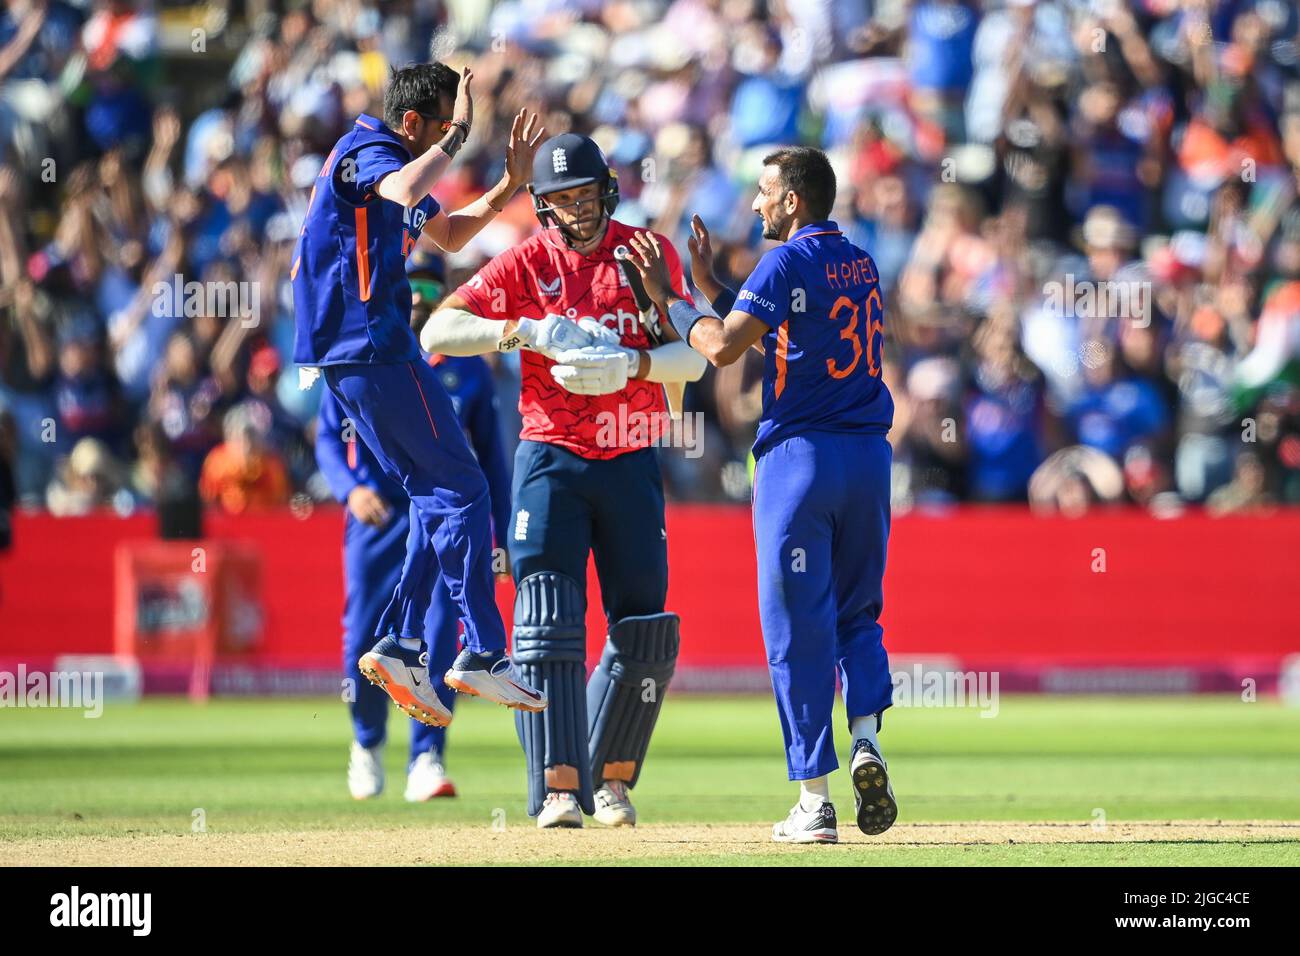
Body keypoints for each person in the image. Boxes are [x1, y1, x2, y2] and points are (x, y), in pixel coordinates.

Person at [420, 133, 706, 828]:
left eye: (584, 194)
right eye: (560, 200)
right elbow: (437, 330)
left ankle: (609, 779)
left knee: (644, 630)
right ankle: (556, 786)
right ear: (542, 206)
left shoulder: (648, 254)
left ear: (606, 188)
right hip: (549, 454)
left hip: (631, 451)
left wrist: (632, 369)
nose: (576, 211)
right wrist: (526, 332)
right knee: (546, 622)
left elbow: (694, 359)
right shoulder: (526, 262)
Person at [626, 146, 898, 844]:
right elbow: (783, 333)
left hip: (797, 460)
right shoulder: (861, 262)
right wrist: (713, 282)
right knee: (858, 612)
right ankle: (867, 739)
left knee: (793, 630)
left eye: (764, 191)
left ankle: (814, 801)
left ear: (793, 201)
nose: (754, 203)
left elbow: (721, 349)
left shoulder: (781, 262)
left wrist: (672, 301)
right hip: (867, 457)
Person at [291, 60, 548, 726]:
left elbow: (447, 233)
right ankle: (483, 651)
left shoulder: (381, 165)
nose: (446, 137)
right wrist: (458, 135)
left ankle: (404, 640)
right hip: (370, 344)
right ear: (414, 123)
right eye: (439, 125)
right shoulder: (369, 153)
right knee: (465, 487)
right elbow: (407, 187)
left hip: (355, 354)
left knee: (436, 493)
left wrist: (508, 188)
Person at [316, 250, 512, 801]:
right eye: (414, 287)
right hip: (378, 514)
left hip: (441, 513)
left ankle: (427, 756)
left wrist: (497, 537)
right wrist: (349, 490)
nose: (422, 299)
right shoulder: (365, 350)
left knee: (437, 631)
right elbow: (329, 436)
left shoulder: (466, 365)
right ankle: (366, 742)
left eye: (431, 287)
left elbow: (491, 463)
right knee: (362, 633)